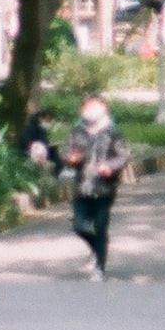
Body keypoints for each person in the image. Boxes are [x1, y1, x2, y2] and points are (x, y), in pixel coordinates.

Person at [58, 96, 130, 281]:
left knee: (100, 227)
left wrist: (110, 167)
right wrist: (70, 158)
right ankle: (95, 249)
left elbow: (122, 156)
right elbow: (66, 152)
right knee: (79, 225)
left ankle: (100, 268)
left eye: (95, 106)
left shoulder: (113, 132)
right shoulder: (77, 131)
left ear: (104, 108)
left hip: (104, 188)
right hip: (82, 186)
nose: (90, 110)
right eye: (87, 107)